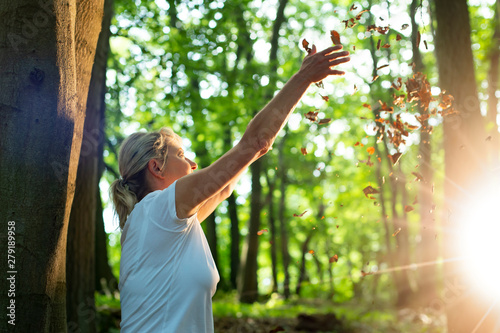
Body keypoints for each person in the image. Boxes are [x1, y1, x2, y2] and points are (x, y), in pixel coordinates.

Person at [111, 44, 350, 332]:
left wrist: (254, 151)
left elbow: (228, 183)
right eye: (181, 155)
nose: (193, 163)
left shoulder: (162, 223)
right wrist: (303, 78)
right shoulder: (158, 209)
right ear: (157, 168)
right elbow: (254, 142)